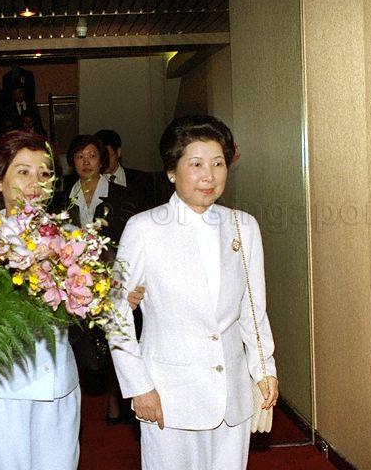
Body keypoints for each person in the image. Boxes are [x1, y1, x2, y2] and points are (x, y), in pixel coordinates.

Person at [107, 115, 279, 469]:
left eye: (218, 164)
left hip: (231, 393)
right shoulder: (144, 228)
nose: (209, 176)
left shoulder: (243, 226)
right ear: (172, 171)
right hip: (169, 394)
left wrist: (265, 370)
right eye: (196, 164)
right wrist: (138, 385)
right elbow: (115, 312)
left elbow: (253, 308)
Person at [0, 131, 81, 470]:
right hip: (1, 390)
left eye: (45, 173)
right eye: (23, 171)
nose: (36, 182)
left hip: (57, 387)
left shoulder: (71, 241)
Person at [62, 134, 138, 425]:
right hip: (75, 282)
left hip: (112, 278)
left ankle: (115, 400)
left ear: (102, 160)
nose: (86, 162)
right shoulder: (62, 198)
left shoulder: (120, 195)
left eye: (92, 156)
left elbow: (129, 240)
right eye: (80, 156)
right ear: (72, 162)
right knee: (80, 342)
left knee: (115, 340)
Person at [94, 129, 155, 210]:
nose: (104, 162)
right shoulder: (91, 182)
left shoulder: (142, 180)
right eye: (101, 158)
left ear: (118, 152)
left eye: (108, 157)